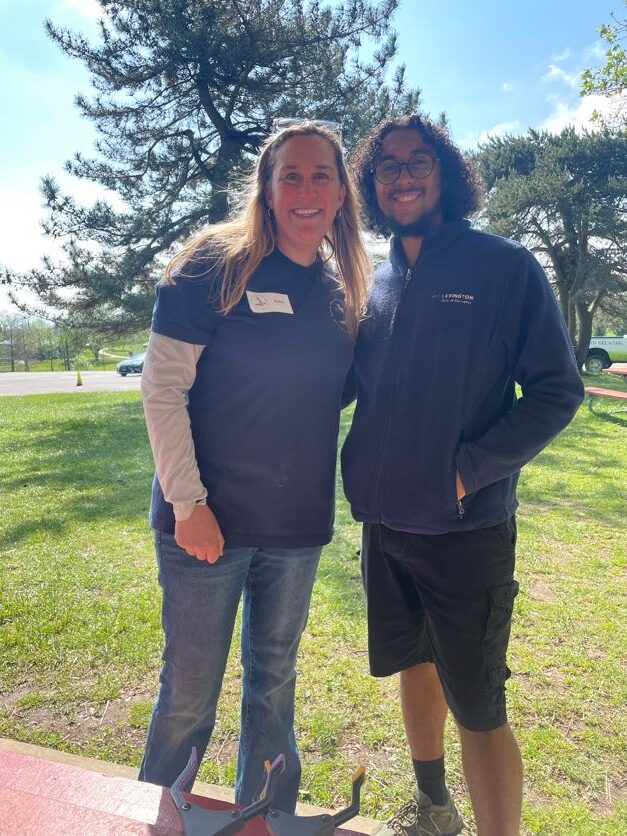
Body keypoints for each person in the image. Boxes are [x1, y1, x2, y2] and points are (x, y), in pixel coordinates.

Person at [341, 115, 584, 836]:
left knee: (478, 706)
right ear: (371, 185)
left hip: (464, 530)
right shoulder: (376, 279)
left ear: (446, 174)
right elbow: (348, 385)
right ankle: (433, 808)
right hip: (384, 526)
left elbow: (556, 390)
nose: (402, 176)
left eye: (418, 161)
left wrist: (467, 472)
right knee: (414, 666)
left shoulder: (503, 268)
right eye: (387, 166)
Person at [138, 121, 370, 813]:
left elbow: (335, 392)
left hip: (294, 526)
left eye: (321, 175)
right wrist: (188, 504)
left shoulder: (344, 289)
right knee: (189, 692)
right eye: (290, 175)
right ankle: (162, 817)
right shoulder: (213, 264)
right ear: (266, 190)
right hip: (205, 523)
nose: (306, 190)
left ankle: (267, 816)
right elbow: (162, 388)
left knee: (273, 685)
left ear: (340, 193)